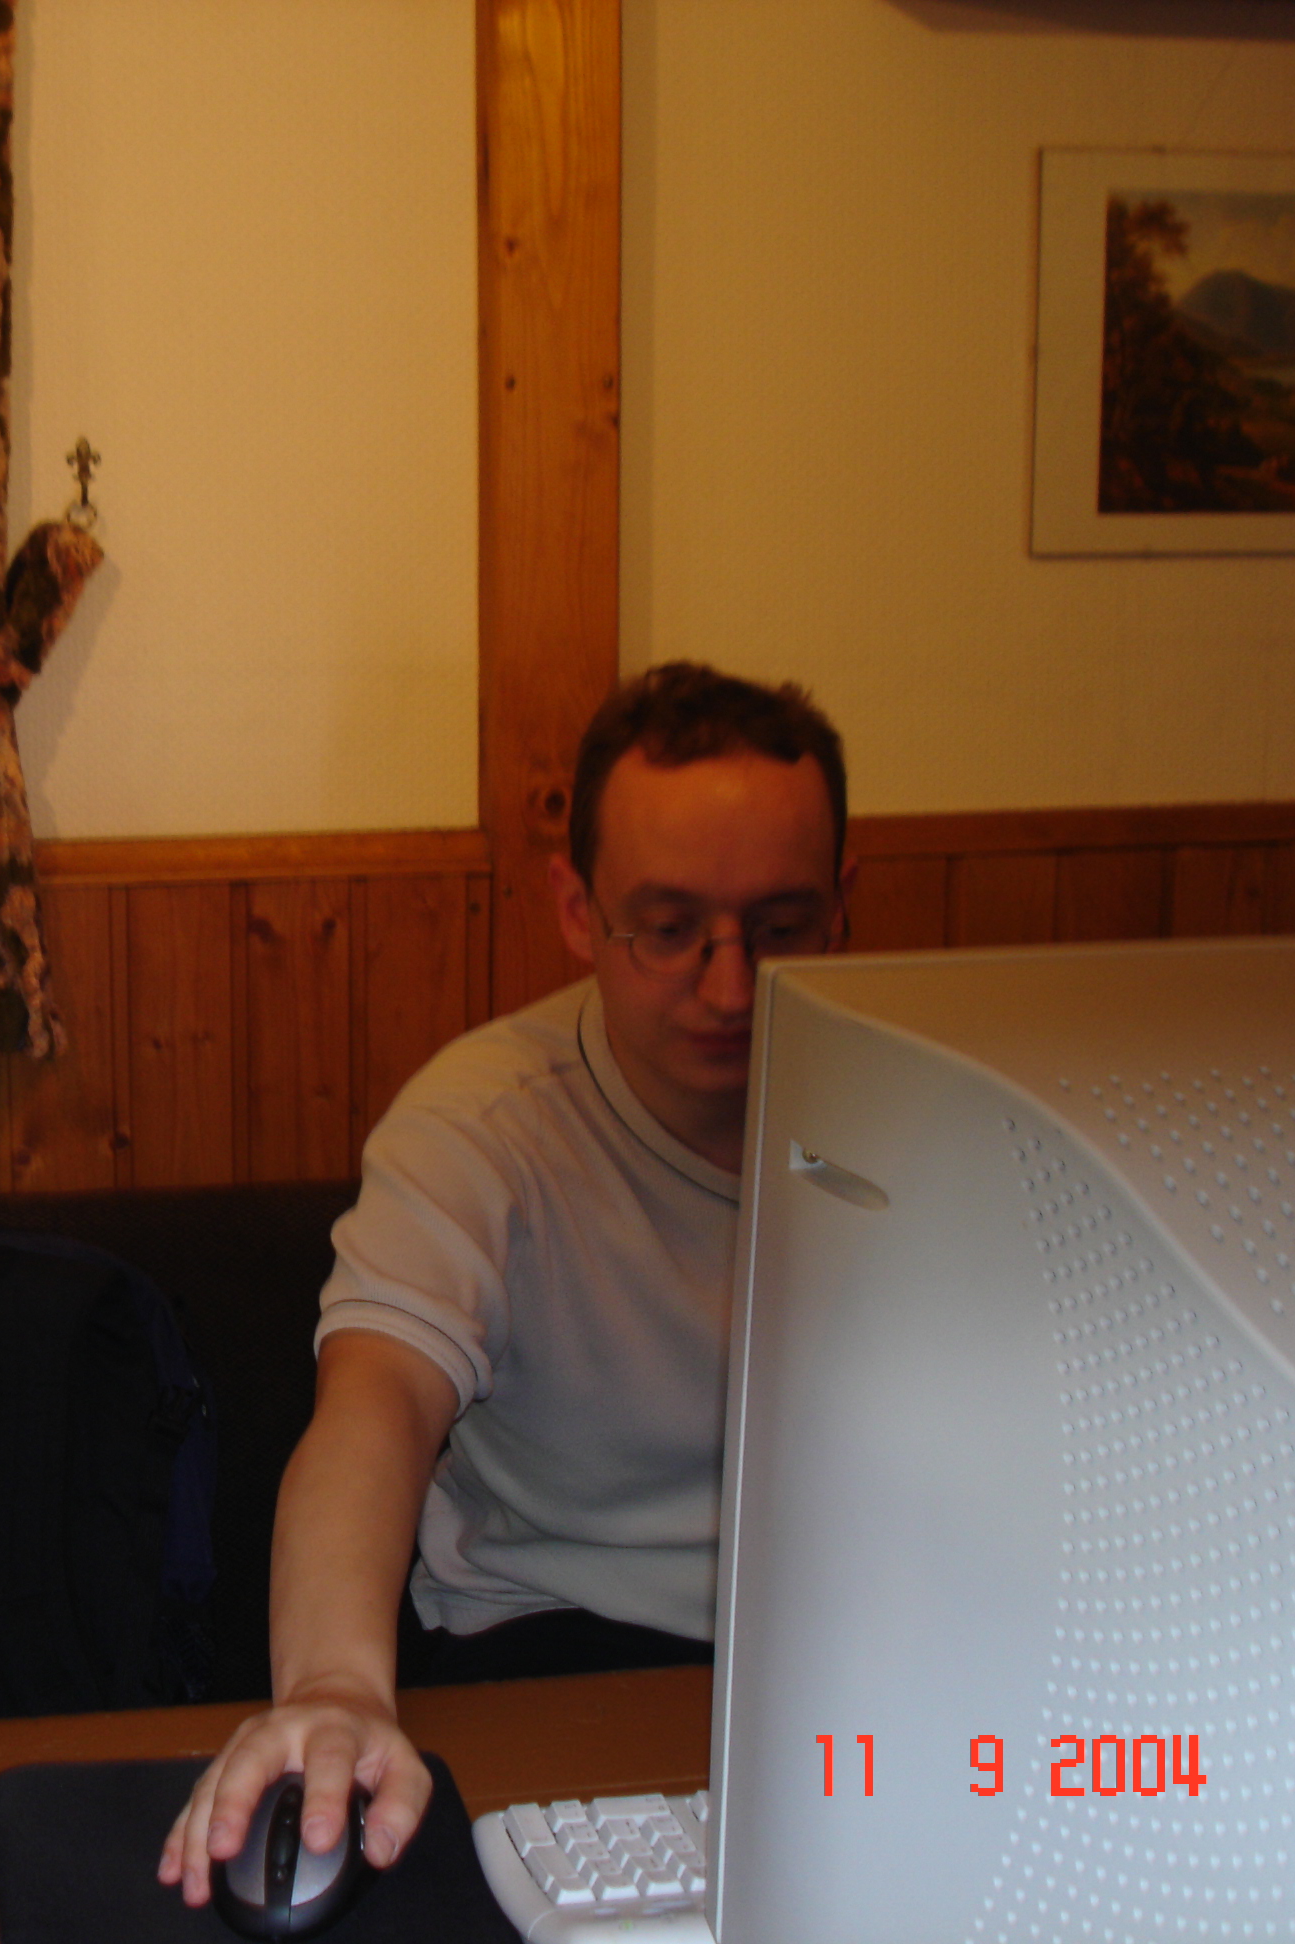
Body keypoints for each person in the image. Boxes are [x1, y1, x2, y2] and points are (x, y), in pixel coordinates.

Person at [160, 662, 850, 1906]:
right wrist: (333, 1686)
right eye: (669, 929)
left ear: (841, 909)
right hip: (555, 1646)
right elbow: (376, 1407)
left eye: (782, 928)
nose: (729, 986)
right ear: (578, 911)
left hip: (850, 1660)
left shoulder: (934, 1111)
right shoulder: (483, 1125)